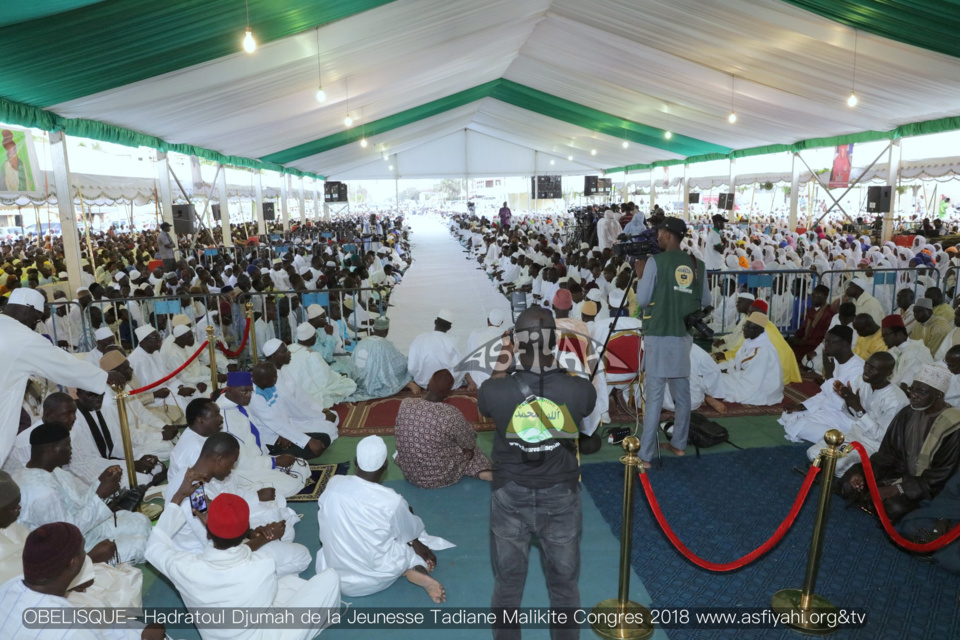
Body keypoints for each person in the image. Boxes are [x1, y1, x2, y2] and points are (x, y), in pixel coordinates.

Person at [478, 307, 596, 638]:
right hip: (560, 495)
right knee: (563, 585)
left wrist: (505, 354)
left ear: (516, 342)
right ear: (555, 342)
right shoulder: (577, 389)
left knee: (508, 583)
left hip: (509, 495)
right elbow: (587, 402)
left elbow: (486, 401)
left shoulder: (495, 390)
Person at [147, 487, 340, 640]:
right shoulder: (261, 565)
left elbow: (153, 547)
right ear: (247, 530)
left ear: (207, 532)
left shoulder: (183, 567)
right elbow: (243, 554)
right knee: (330, 578)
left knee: (286, 584)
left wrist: (179, 496)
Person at [316, 435, 453, 601]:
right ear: (386, 464)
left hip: (336, 577)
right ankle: (418, 571)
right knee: (407, 550)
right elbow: (409, 533)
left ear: (356, 461)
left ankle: (408, 571)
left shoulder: (334, 484)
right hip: (376, 578)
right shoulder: (392, 501)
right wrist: (415, 539)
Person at [0, 288, 123, 467]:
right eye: (36, 319)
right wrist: (104, 376)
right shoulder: (22, 337)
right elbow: (64, 365)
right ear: (28, 309)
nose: (35, 325)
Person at [0, 470, 143, 608]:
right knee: (120, 589)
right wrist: (89, 559)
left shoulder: (11, 526)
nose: (19, 508)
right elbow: (26, 590)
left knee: (124, 579)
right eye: (12, 507)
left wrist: (76, 573)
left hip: (64, 571)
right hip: (37, 604)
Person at [14, 423, 152, 565]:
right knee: (143, 545)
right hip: (71, 551)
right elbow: (68, 535)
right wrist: (100, 496)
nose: (71, 450)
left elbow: (77, 506)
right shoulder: (41, 493)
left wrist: (100, 483)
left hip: (86, 531)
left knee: (142, 522)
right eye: (67, 446)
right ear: (52, 449)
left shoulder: (56, 472)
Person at [633, 216, 712, 465]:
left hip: (658, 333)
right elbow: (706, 302)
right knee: (682, 392)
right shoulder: (696, 263)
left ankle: (645, 456)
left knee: (654, 394)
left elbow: (643, 300)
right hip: (682, 336)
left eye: (659, 232)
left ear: (668, 235)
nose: (657, 237)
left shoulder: (656, 262)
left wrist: (641, 276)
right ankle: (679, 445)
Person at [0, 522, 164, 640]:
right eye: (82, 551)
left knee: (124, 624)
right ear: (74, 562)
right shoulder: (73, 630)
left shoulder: (8, 587)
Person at [840, 365, 960, 523]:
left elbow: (942, 475)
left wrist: (897, 489)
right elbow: (887, 454)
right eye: (913, 389)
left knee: (894, 507)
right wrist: (865, 473)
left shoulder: (954, 426)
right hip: (898, 473)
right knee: (850, 479)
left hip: (928, 487)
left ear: (938, 395)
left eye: (921, 392)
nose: (914, 396)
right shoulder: (908, 412)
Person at [805, 352, 908, 476]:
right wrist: (848, 401)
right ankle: (827, 468)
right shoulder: (862, 381)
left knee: (837, 464)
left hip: (875, 446)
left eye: (873, 368)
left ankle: (833, 470)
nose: (867, 370)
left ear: (887, 374)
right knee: (813, 452)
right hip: (853, 434)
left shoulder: (895, 400)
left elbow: (881, 436)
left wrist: (858, 409)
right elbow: (852, 416)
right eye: (867, 365)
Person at [394, 370, 492, 488]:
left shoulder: (406, 403)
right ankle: (484, 472)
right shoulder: (451, 414)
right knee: (471, 451)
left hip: (411, 473)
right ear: (448, 394)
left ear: (428, 386)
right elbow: (468, 443)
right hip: (440, 476)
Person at [215, 372, 307, 498]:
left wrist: (271, 459)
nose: (248, 396)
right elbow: (239, 461)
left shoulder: (239, 405)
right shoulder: (223, 417)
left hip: (260, 459)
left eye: (250, 391)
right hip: (243, 470)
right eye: (244, 392)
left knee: (302, 464)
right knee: (290, 484)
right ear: (230, 390)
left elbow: (254, 437)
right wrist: (274, 462)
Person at [781, 326, 864, 443]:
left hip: (846, 417)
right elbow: (825, 393)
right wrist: (802, 406)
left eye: (830, 342)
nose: (825, 346)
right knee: (788, 415)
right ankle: (831, 434)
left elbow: (842, 405)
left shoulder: (857, 370)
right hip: (830, 409)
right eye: (825, 341)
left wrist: (829, 374)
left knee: (799, 425)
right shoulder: (836, 361)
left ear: (844, 344)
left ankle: (843, 439)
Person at [248, 362, 335, 459]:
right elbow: (274, 423)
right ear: (263, 380)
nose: (276, 379)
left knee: (324, 438)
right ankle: (275, 457)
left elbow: (282, 410)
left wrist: (286, 435)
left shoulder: (270, 386)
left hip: (282, 432)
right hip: (271, 440)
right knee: (313, 448)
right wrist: (307, 440)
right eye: (274, 377)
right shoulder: (254, 398)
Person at [716, 311, 784, 406]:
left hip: (760, 390)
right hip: (747, 379)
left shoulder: (763, 351)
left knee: (717, 379)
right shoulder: (749, 342)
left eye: (748, 328)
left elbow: (751, 380)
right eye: (745, 326)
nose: (744, 330)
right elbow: (739, 363)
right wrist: (727, 369)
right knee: (717, 368)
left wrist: (728, 372)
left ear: (759, 330)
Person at [287, 322, 357, 406]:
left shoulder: (289, 348)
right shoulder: (312, 355)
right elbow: (325, 375)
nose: (316, 338)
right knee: (349, 384)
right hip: (306, 388)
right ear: (310, 339)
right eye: (315, 336)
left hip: (290, 388)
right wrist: (339, 376)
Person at [349, 317, 420, 399]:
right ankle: (406, 384)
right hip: (378, 382)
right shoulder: (386, 345)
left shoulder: (362, 342)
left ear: (374, 329)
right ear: (387, 330)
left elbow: (353, 363)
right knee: (406, 367)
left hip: (360, 380)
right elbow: (399, 364)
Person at [407, 309, 466, 389]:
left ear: (435, 322)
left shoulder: (420, 338)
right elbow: (460, 367)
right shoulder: (454, 341)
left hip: (423, 383)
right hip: (448, 384)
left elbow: (412, 367)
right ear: (449, 327)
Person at [881, 314, 933, 387]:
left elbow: (901, 378)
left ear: (899, 334)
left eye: (886, 335)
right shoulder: (893, 350)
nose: (883, 339)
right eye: (883, 336)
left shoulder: (916, 352)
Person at [789, 285, 834, 362]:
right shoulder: (811, 310)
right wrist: (796, 337)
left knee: (792, 354)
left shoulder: (829, 314)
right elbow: (803, 328)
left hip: (815, 346)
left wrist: (803, 342)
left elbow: (824, 337)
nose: (812, 298)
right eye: (811, 295)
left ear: (824, 297)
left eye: (814, 295)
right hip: (805, 342)